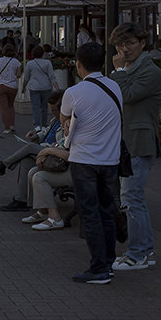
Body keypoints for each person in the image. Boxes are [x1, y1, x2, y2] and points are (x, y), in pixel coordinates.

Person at [62, 41, 123, 283]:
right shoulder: (115, 87)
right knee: (107, 211)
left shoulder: (74, 92)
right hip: (111, 159)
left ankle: (98, 268)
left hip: (84, 159)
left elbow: (64, 117)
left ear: (78, 65)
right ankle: (108, 262)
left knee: (90, 215)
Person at [110, 22, 161, 272]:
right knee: (132, 197)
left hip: (140, 141)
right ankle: (145, 251)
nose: (125, 49)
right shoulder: (132, 67)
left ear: (143, 43)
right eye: (121, 45)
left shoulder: (149, 71)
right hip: (125, 140)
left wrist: (119, 72)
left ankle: (138, 253)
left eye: (130, 43)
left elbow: (126, 95)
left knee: (132, 198)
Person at [0, 91, 66, 212]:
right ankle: (22, 200)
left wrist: (47, 145)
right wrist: (36, 136)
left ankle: (2, 165)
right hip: (44, 149)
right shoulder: (55, 120)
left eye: (55, 111)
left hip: (54, 154)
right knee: (26, 160)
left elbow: (63, 143)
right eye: (51, 110)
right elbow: (47, 131)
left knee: (30, 148)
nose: (53, 113)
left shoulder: (67, 122)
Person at [23, 46, 61, 130]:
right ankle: (44, 124)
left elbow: (26, 77)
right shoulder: (47, 63)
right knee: (45, 107)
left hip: (34, 88)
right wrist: (57, 88)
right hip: (46, 87)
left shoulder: (30, 64)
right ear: (42, 53)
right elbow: (52, 76)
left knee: (35, 107)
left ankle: (37, 125)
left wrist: (23, 87)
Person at [0, 45, 22, 134]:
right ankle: (12, 125)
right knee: (11, 106)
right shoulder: (16, 62)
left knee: (4, 107)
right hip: (12, 86)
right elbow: (19, 75)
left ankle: (7, 127)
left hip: (1, 86)